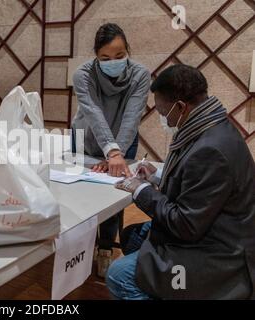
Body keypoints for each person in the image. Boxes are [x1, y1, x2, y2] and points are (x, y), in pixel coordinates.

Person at [108, 64, 255, 300]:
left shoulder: (211, 150)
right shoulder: (212, 126)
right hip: (212, 230)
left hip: (218, 252)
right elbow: (195, 185)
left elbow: (185, 225)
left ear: (180, 107)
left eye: (162, 111)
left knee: (118, 274)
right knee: (133, 236)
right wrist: (157, 176)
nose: (163, 118)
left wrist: (141, 190)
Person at [72, 23, 151, 277]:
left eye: (119, 56)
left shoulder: (140, 75)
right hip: (88, 140)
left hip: (123, 141)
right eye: (105, 58)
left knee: (112, 195)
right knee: (81, 193)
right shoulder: (83, 74)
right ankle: (76, 248)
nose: (112, 62)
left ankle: (105, 249)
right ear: (96, 56)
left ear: (128, 50)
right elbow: (93, 113)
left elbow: (132, 116)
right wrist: (109, 152)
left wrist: (115, 153)